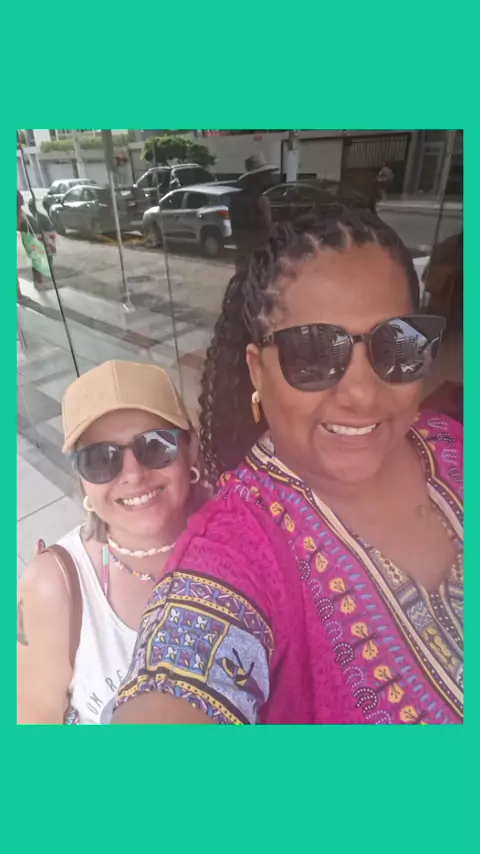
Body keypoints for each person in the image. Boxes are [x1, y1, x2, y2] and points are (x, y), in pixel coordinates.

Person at [114, 210, 463, 726]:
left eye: (397, 343)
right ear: (258, 370)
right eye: (314, 353)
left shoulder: (450, 441)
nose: (362, 393)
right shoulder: (237, 547)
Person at [17, 360, 204, 724]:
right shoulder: (52, 585)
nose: (133, 474)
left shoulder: (243, 539)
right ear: (81, 478)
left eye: (155, 445)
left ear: (191, 449)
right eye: (101, 458)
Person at [230, 153, 278, 264]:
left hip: (243, 254)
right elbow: (267, 228)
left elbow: (235, 230)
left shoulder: (235, 199)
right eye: (266, 175)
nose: (270, 178)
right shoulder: (262, 200)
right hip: (260, 256)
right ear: (258, 178)